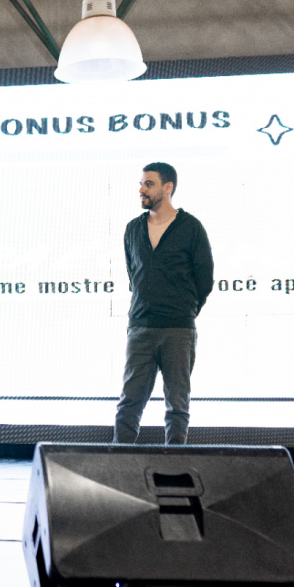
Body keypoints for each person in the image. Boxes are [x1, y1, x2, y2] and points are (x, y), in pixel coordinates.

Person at [114, 162, 214, 444]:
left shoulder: (191, 227)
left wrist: (184, 311)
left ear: (167, 187)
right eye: (141, 184)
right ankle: (119, 462)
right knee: (129, 403)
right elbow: (135, 275)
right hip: (141, 327)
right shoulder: (133, 228)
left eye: (149, 184)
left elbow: (204, 280)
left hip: (178, 330)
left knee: (177, 405)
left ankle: (176, 462)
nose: (141, 190)